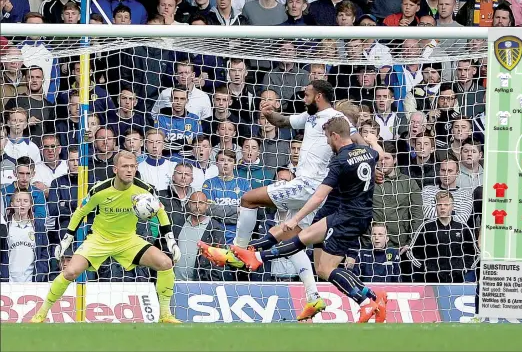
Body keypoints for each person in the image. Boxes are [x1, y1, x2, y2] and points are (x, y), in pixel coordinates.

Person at [200, 80, 366, 321]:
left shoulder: (335, 118)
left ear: (318, 96)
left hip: (307, 186)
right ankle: (313, 296)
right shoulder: (309, 117)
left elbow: (357, 142)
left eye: (306, 94)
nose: (302, 98)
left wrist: (375, 158)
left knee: (248, 199)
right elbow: (282, 121)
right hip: (314, 192)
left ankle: (235, 254)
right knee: (292, 238)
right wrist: (268, 113)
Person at [213, 117, 388, 323]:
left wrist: (295, 218)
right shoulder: (368, 152)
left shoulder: (340, 161)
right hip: (356, 214)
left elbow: (318, 196)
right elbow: (381, 154)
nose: (326, 143)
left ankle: (366, 303)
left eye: (327, 138)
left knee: (313, 253)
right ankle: (376, 297)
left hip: (347, 216)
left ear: (334, 136)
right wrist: (373, 140)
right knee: (314, 254)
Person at [30, 150, 181, 323]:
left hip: (128, 241)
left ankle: (165, 315)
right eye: (125, 166)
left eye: (132, 166)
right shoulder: (100, 190)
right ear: (115, 169)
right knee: (70, 271)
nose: (129, 170)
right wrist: (67, 240)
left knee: (165, 263)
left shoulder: (144, 190)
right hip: (99, 240)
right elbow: (80, 212)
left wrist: (171, 241)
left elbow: (160, 212)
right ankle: (40, 314)